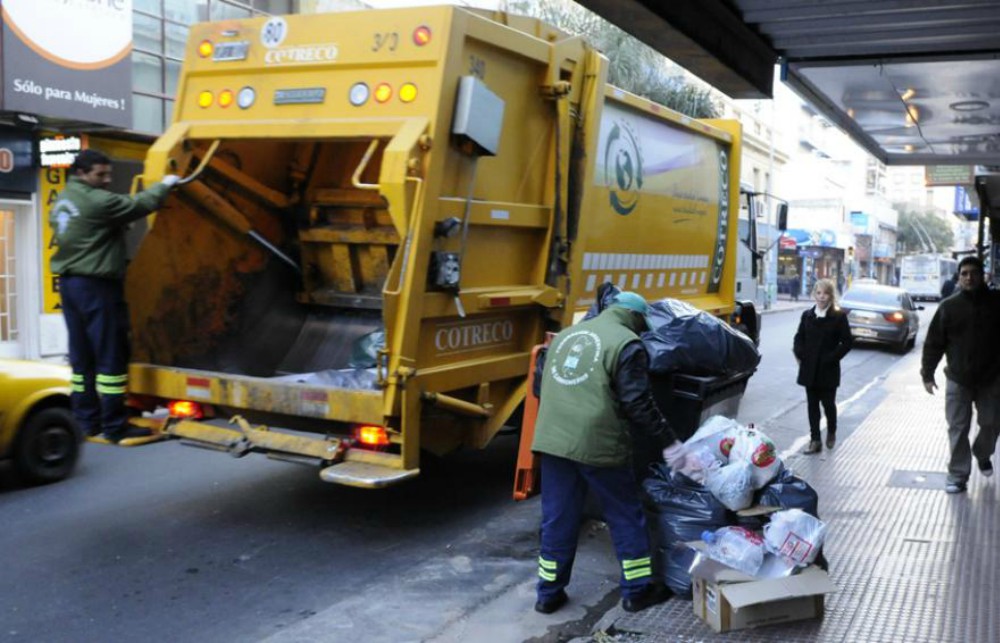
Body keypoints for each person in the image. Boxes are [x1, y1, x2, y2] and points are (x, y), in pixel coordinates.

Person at [530, 292, 685, 615]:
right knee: (625, 514)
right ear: (636, 318)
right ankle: (636, 591)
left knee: (558, 517)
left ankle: (548, 594)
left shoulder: (566, 336)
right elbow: (637, 402)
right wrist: (670, 440)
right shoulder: (627, 343)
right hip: (597, 443)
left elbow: (538, 387)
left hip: (552, 441)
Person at [50, 149, 179, 443]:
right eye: (101, 174)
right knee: (110, 355)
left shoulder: (63, 199)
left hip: (71, 285)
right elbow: (142, 203)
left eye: (108, 174)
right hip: (97, 286)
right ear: (81, 173)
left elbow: (90, 230)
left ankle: (86, 421)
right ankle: (115, 424)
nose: (107, 180)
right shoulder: (98, 201)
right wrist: (167, 183)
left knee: (82, 358)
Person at [921, 256, 1000, 494]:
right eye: (964, 273)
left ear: (982, 275)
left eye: (973, 273)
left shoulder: (998, 303)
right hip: (958, 379)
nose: (969, 277)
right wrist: (928, 373)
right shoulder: (949, 306)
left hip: (992, 379)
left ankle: (983, 453)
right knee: (957, 428)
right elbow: (934, 342)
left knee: (991, 424)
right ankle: (957, 474)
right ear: (959, 276)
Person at [793, 278, 852, 454]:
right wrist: (801, 353)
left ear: (831, 296)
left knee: (828, 405)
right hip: (809, 369)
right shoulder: (807, 315)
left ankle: (832, 429)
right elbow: (799, 337)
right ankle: (815, 440)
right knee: (812, 406)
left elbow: (847, 342)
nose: (822, 297)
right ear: (814, 295)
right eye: (818, 293)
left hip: (828, 371)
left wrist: (831, 358)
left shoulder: (839, 317)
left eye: (825, 293)